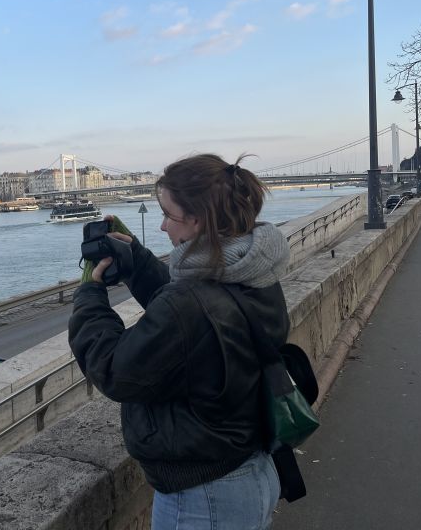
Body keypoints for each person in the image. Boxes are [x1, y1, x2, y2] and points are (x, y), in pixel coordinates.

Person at [68, 153, 291, 530]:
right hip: (251, 467)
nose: (161, 226)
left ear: (199, 220)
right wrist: (136, 260)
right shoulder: (254, 269)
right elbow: (198, 322)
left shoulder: (191, 301)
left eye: (169, 215)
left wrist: (89, 295)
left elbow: (115, 370)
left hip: (204, 496)